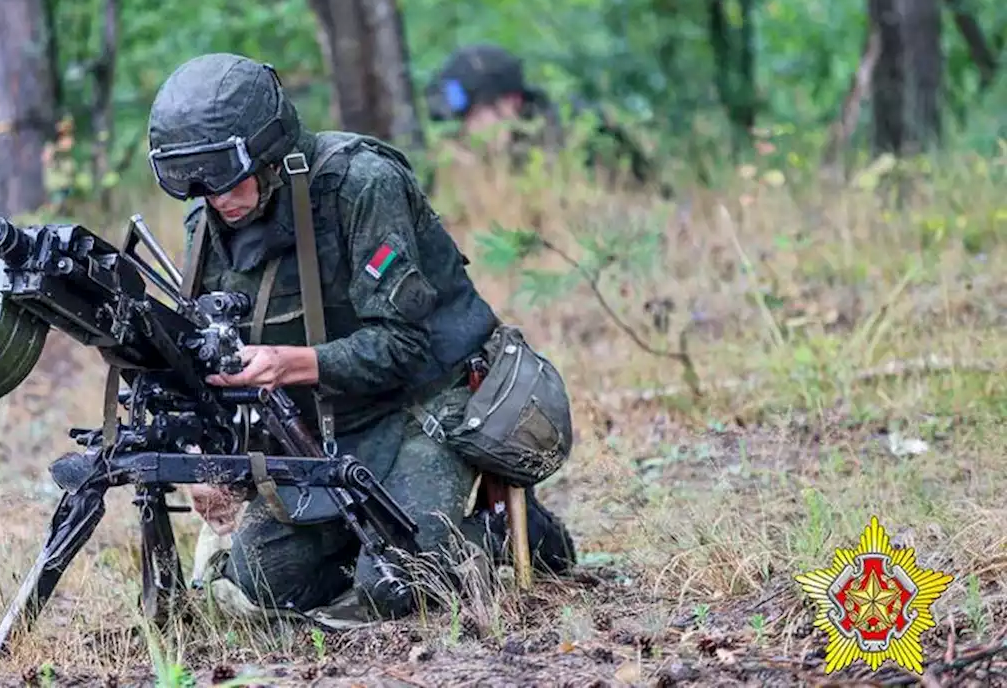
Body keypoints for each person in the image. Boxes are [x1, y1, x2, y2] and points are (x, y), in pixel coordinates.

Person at [144, 52, 578, 623]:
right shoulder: (207, 230)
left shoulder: (360, 184)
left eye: (224, 172)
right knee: (263, 585)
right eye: (190, 179)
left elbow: (406, 347)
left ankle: (502, 532)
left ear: (269, 148)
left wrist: (286, 363)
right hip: (325, 432)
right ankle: (371, 538)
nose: (214, 195)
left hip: (426, 402)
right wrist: (206, 461)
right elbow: (209, 356)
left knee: (398, 586)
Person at [423, 44, 669, 197]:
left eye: (472, 117)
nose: (466, 131)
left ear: (511, 103)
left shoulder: (574, 136)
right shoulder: (501, 147)